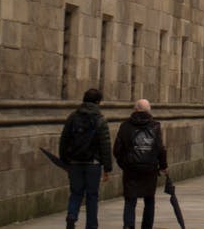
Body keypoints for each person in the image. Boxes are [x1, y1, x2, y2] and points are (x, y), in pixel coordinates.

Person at [59, 88, 112, 229]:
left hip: (75, 163)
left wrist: (64, 160)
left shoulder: (72, 117)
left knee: (76, 193)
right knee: (92, 196)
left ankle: (71, 216)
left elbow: (64, 140)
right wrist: (107, 168)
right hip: (93, 164)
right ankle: (91, 225)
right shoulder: (100, 120)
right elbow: (105, 145)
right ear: (97, 102)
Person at [113, 99, 167, 229]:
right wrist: (163, 165)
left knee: (130, 200)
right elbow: (160, 148)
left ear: (135, 109)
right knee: (149, 199)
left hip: (131, 168)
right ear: (148, 110)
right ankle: (147, 226)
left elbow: (117, 150)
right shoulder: (155, 126)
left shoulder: (125, 126)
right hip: (150, 168)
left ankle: (128, 226)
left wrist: (124, 164)